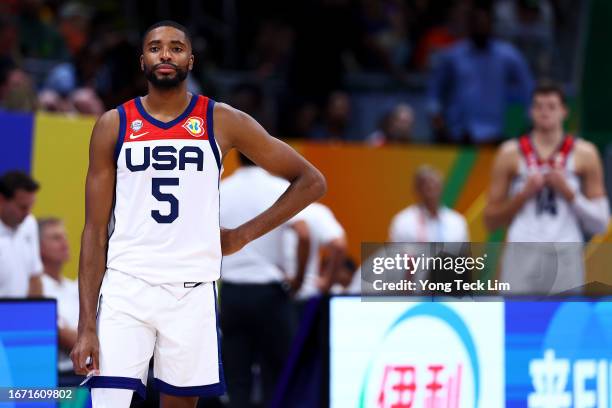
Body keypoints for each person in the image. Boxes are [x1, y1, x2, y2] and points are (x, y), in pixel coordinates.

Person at [70, 20, 326, 408]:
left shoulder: (222, 120)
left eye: (176, 47)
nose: (166, 54)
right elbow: (93, 231)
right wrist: (87, 322)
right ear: (143, 61)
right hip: (125, 287)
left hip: (192, 291)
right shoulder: (114, 124)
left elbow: (311, 181)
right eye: (155, 47)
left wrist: (243, 235)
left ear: (191, 59)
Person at [484, 81, 610, 294]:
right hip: (521, 250)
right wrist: (523, 195)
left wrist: (569, 193)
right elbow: (490, 220)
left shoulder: (585, 154)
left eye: (551, 106)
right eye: (538, 106)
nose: (544, 112)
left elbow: (600, 223)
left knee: (563, 325)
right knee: (517, 324)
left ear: (564, 111)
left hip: (565, 253)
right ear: (531, 111)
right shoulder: (510, 153)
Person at [219, 153, 311, 408]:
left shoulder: (221, 190)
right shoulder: (279, 188)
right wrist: (298, 281)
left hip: (232, 292)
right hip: (270, 293)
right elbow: (303, 234)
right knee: (279, 374)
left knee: (237, 378)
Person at [427, 6, 534, 144]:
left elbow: (528, 88)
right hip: (459, 134)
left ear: (491, 25)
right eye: (476, 23)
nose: (480, 27)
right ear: (469, 26)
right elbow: (434, 91)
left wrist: (529, 121)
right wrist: (437, 118)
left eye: (484, 24)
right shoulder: (453, 56)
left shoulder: (508, 56)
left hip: (496, 134)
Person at [38, 218, 78, 375]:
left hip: (92, 369)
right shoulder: (36, 290)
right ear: (38, 247)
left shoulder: (74, 287)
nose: (65, 243)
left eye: (64, 236)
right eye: (56, 238)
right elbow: (67, 339)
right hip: (63, 377)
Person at [389, 165, 468, 243]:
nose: (431, 186)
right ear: (417, 189)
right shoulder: (403, 221)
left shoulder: (457, 222)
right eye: (426, 185)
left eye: (434, 183)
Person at [0, 171, 42, 298]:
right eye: (23, 207)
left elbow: (34, 276)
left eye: (30, 207)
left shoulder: (30, 223)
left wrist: (34, 312)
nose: (28, 213)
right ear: (2, 199)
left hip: (20, 313)